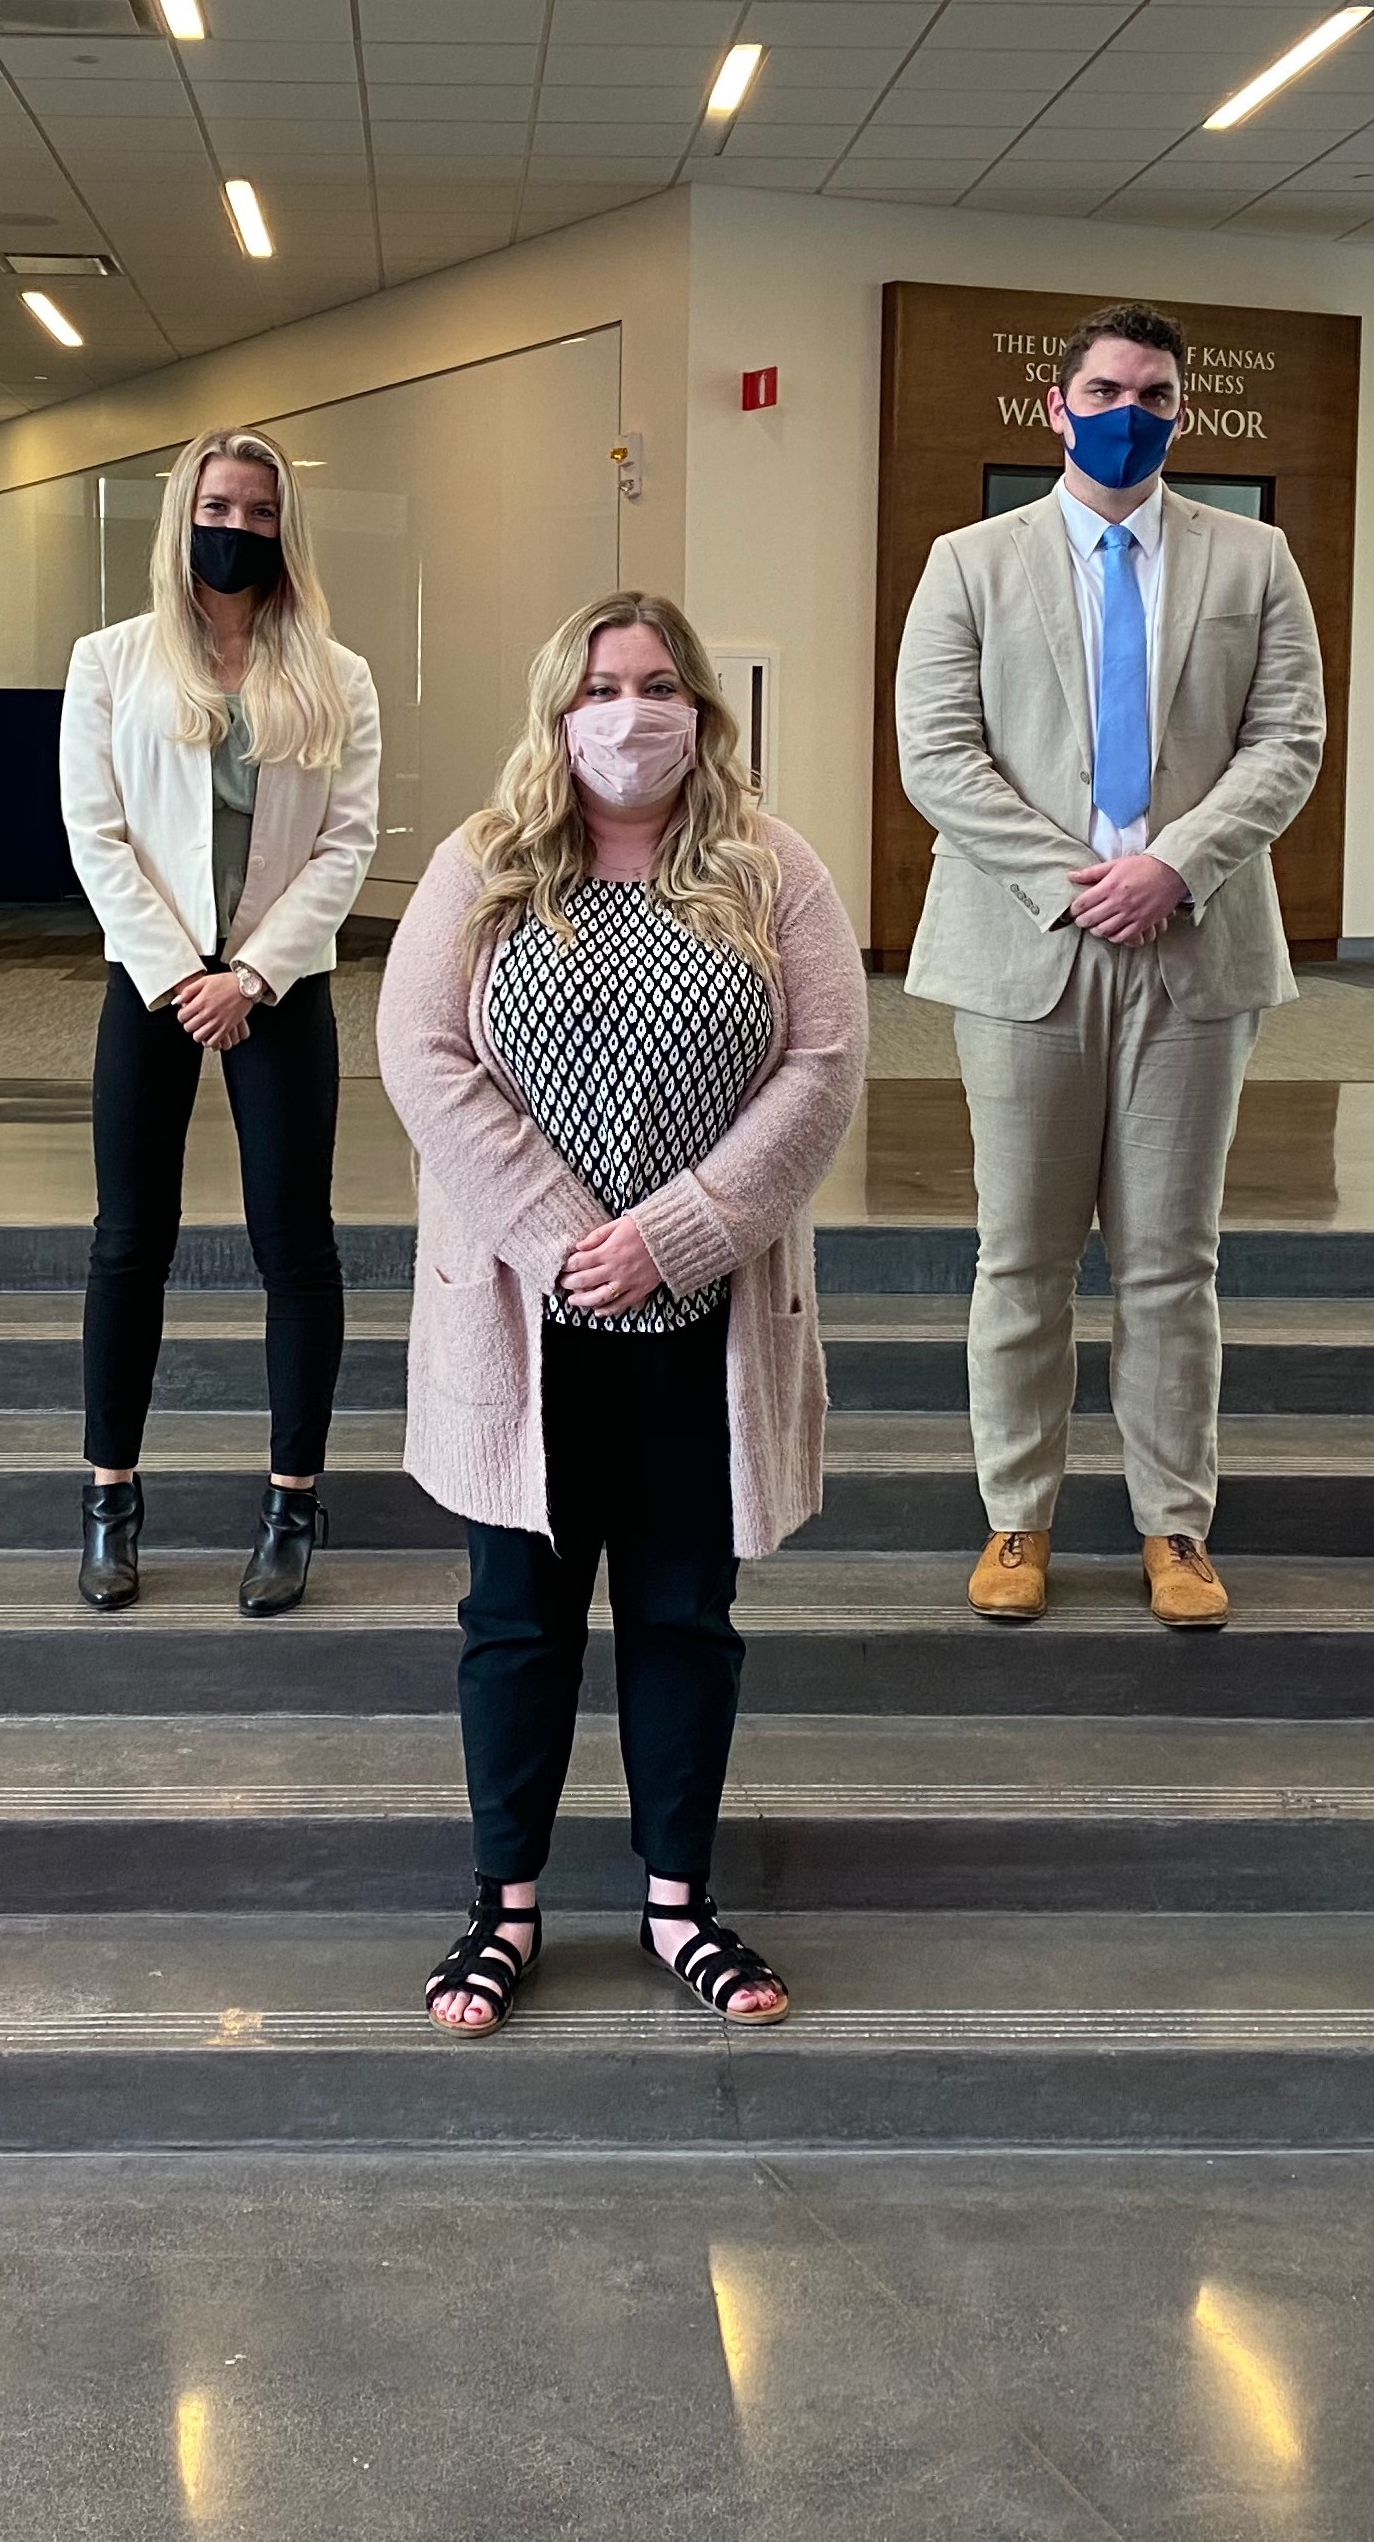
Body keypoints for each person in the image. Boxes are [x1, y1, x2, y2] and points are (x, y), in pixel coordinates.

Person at [379, 591, 865, 2035]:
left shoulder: (775, 869)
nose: (629, 714)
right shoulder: (486, 863)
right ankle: (505, 1907)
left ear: (702, 711)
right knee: (515, 1620)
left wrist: (677, 1235)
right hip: (526, 1319)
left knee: (682, 1617)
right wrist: (559, 1234)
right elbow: (422, 1055)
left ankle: (677, 1904)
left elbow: (824, 1065)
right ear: (557, 711)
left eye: (658, 686)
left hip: (701, 1322)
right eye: (600, 688)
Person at [892, 301, 1326, 1629]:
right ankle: (1016, 1520)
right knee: (1020, 1256)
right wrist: (1070, 878)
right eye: (1103, 386)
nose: (1125, 408)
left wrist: (1173, 867)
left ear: (1180, 415)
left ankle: (1172, 1526)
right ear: (1056, 406)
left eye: (1150, 391)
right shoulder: (970, 562)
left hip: (1195, 952)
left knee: (1168, 1263)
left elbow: (1287, 741)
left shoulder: (1254, 560)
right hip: (1026, 948)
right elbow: (937, 753)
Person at [58, 429, 383, 1615]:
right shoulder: (110, 662)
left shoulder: (335, 674)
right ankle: (109, 1500)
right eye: (217, 506)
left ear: (282, 526)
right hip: (149, 981)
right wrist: (177, 970)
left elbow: (347, 845)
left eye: (257, 511)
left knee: (294, 1244)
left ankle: (293, 1499)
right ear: (179, 515)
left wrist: (248, 976)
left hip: (280, 990)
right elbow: (96, 836)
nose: (234, 528)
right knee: (126, 1240)